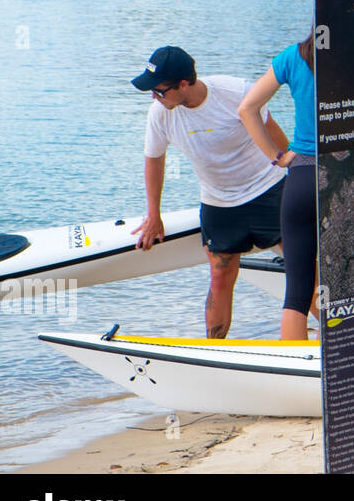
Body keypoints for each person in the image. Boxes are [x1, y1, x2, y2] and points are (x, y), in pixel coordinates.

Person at [132, 46, 289, 338]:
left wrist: (304, 179)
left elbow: (275, 136)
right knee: (220, 276)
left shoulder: (236, 92)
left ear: (183, 84)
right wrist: (154, 216)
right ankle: (214, 347)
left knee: (303, 267)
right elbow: (154, 160)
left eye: (159, 91)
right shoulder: (160, 114)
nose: (154, 97)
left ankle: (337, 340)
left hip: (269, 189)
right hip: (219, 201)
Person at [239, 32, 318, 340]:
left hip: (303, 177)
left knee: (297, 292)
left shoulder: (294, 56)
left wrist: (277, 156)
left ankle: (295, 364)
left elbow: (247, 109)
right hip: (352, 178)